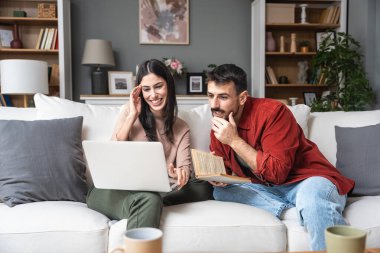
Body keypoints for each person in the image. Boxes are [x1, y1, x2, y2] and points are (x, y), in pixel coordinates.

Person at [206, 64, 354, 251]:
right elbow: (227, 168)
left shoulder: (274, 112)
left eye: (223, 97)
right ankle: (292, 210)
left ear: (242, 97)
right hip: (267, 188)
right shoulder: (220, 121)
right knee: (221, 192)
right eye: (211, 95)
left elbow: (277, 174)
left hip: (308, 180)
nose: (214, 105)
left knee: (313, 201)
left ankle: (307, 207)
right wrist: (219, 176)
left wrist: (234, 141)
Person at [87, 59, 213, 230]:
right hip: (114, 189)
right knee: (150, 198)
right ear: (139, 91)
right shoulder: (129, 112)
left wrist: (179, 174)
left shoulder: (181, 127)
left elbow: (185, 168)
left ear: (168, 85)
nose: (153, 95)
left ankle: (150, 200)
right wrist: (132, 116)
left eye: (158, 86)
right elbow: (112, 153)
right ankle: (150, 201)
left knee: (203, 186)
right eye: (146, 89)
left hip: (159, 189)